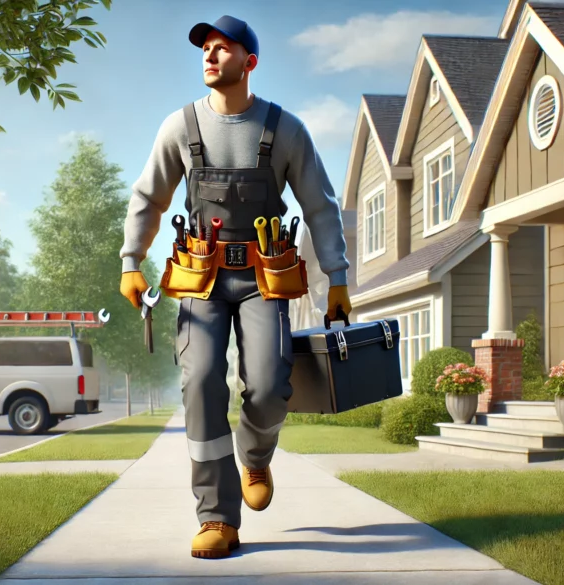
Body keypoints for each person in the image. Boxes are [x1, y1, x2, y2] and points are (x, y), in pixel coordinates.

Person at [119, 14, 352, 559]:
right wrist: (132, 260)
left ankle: (255, 455)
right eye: (206, 47)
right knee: (201, 382)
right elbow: (149, 197)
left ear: (250, 62)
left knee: (269, 385)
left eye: (223, 48)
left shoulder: (286, 130)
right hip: (200, 278)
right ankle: (217, 516)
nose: (210, 55)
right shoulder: (179, 127)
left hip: (263, 278)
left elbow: (320, 206)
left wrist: (337, 277)